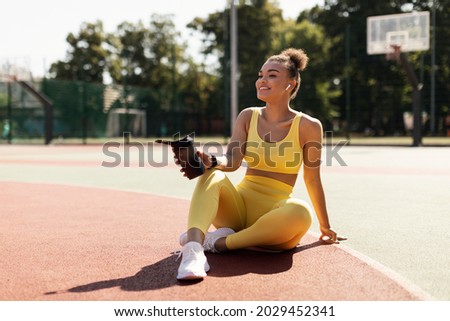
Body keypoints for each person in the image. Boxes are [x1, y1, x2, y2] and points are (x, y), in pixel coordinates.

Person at [174, 48, 346, 280]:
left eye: (272, 75)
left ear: (291, 84)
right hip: (236, 212)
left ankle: (219, 242)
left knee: (301, 212)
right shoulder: (247, 116)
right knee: (211, 174)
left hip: (273, 221)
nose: (262, 80)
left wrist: (325, 226)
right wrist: (212, 161)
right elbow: (232, 161)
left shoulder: (308, 126)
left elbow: (312, 178)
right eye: (260, 74)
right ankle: (193, 251)